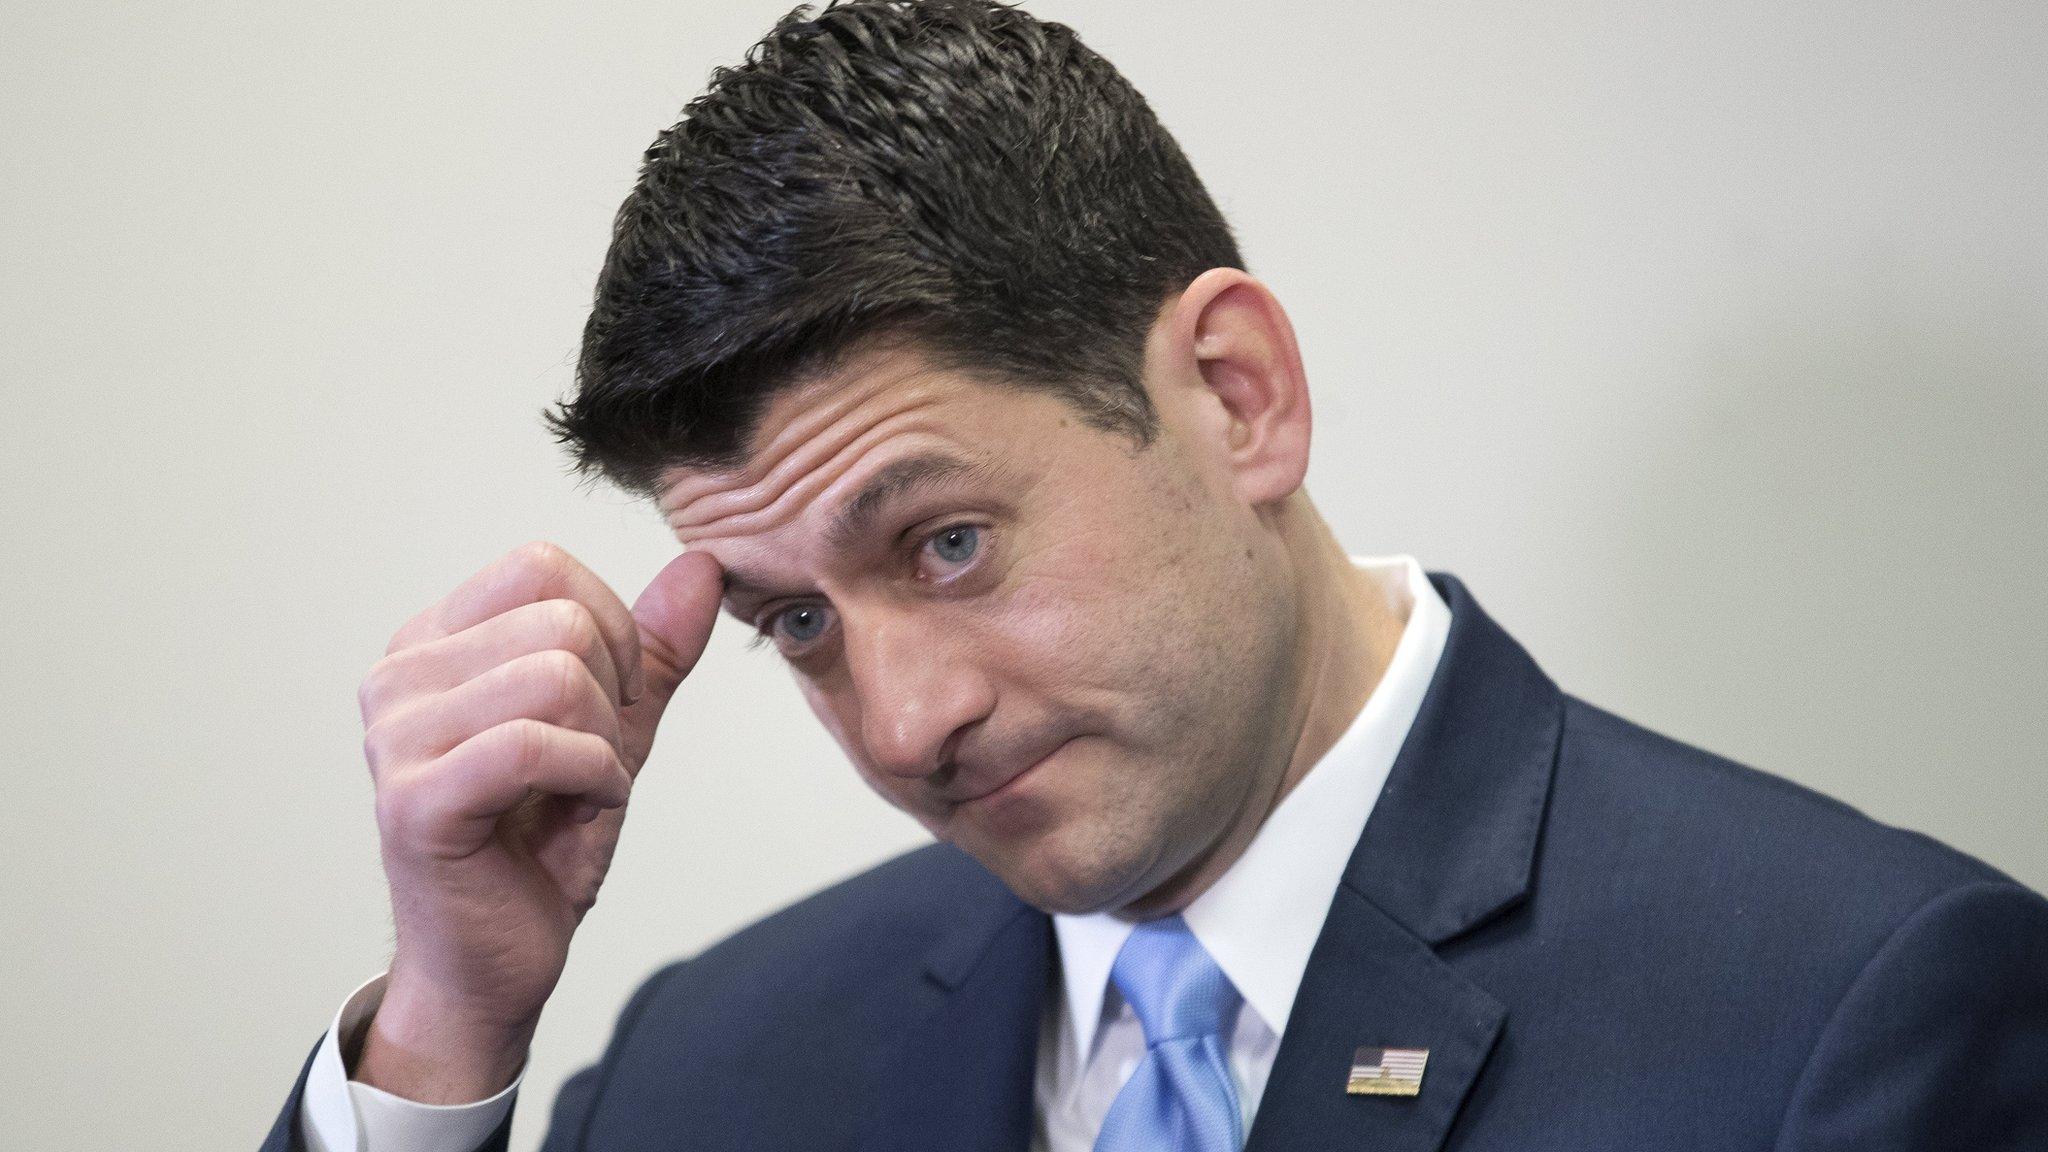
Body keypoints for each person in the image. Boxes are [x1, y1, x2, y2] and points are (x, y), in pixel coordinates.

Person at [260, 2, 2048, 1149]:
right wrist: (445, 1031)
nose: (904, 723)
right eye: (794, 621)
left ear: (1236, 398)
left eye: (945, 542)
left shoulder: (1856, 1018)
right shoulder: (713, 1066)